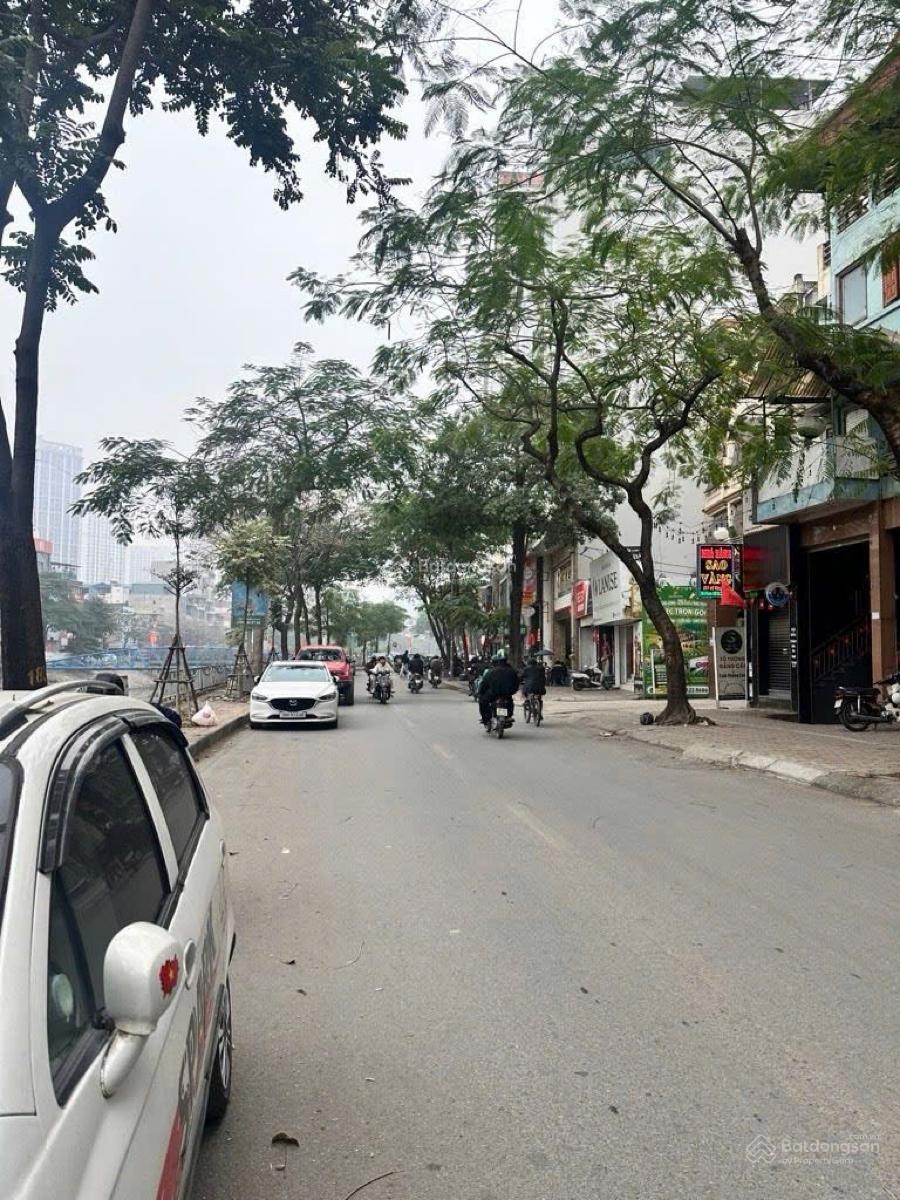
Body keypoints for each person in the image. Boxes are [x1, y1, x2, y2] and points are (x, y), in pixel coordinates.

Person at [477, 653, 520, 728]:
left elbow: (484, 683)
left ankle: (486, 719)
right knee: (510, 701)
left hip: (494, 693)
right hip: (507, 693)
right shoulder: (512, 671)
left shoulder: (491, 671)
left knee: (483, 701)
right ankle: (508, 716)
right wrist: (512, 691)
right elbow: (516, 683)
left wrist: (480, 692)